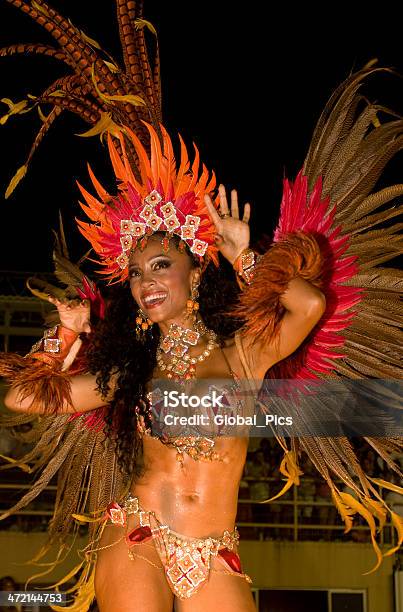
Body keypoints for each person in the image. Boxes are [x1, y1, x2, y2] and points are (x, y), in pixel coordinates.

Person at [0, 2, 402, 611]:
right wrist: (64, 337)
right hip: (138, 535)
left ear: (195, 269)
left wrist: (248, 258)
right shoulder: (124, 373)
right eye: (135, 274)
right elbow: (21, 398)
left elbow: (308, 303)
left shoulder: (244, 354)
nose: (145, 282)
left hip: (216, 550)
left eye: (160, 265)